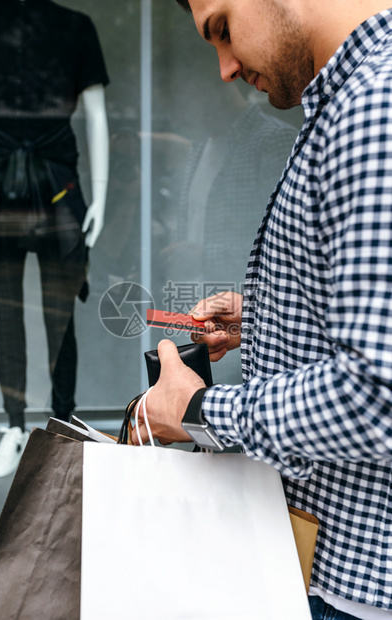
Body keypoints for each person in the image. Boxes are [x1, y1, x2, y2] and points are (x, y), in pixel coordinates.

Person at [132, 0, 392, 618]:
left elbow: (378, 395)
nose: (223, 67)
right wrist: (272, 316)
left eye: (222, 29)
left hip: (354, 589)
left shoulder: (372, 108)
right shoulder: (348, 99)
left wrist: (194, 410)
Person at [0, 0, 109, 478]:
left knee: (59, 318)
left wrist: (99, 198)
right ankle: (14, 427)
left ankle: (62, 426)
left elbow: (96, 114)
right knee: (7, 311)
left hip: (57, 189)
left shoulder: (76, 27)